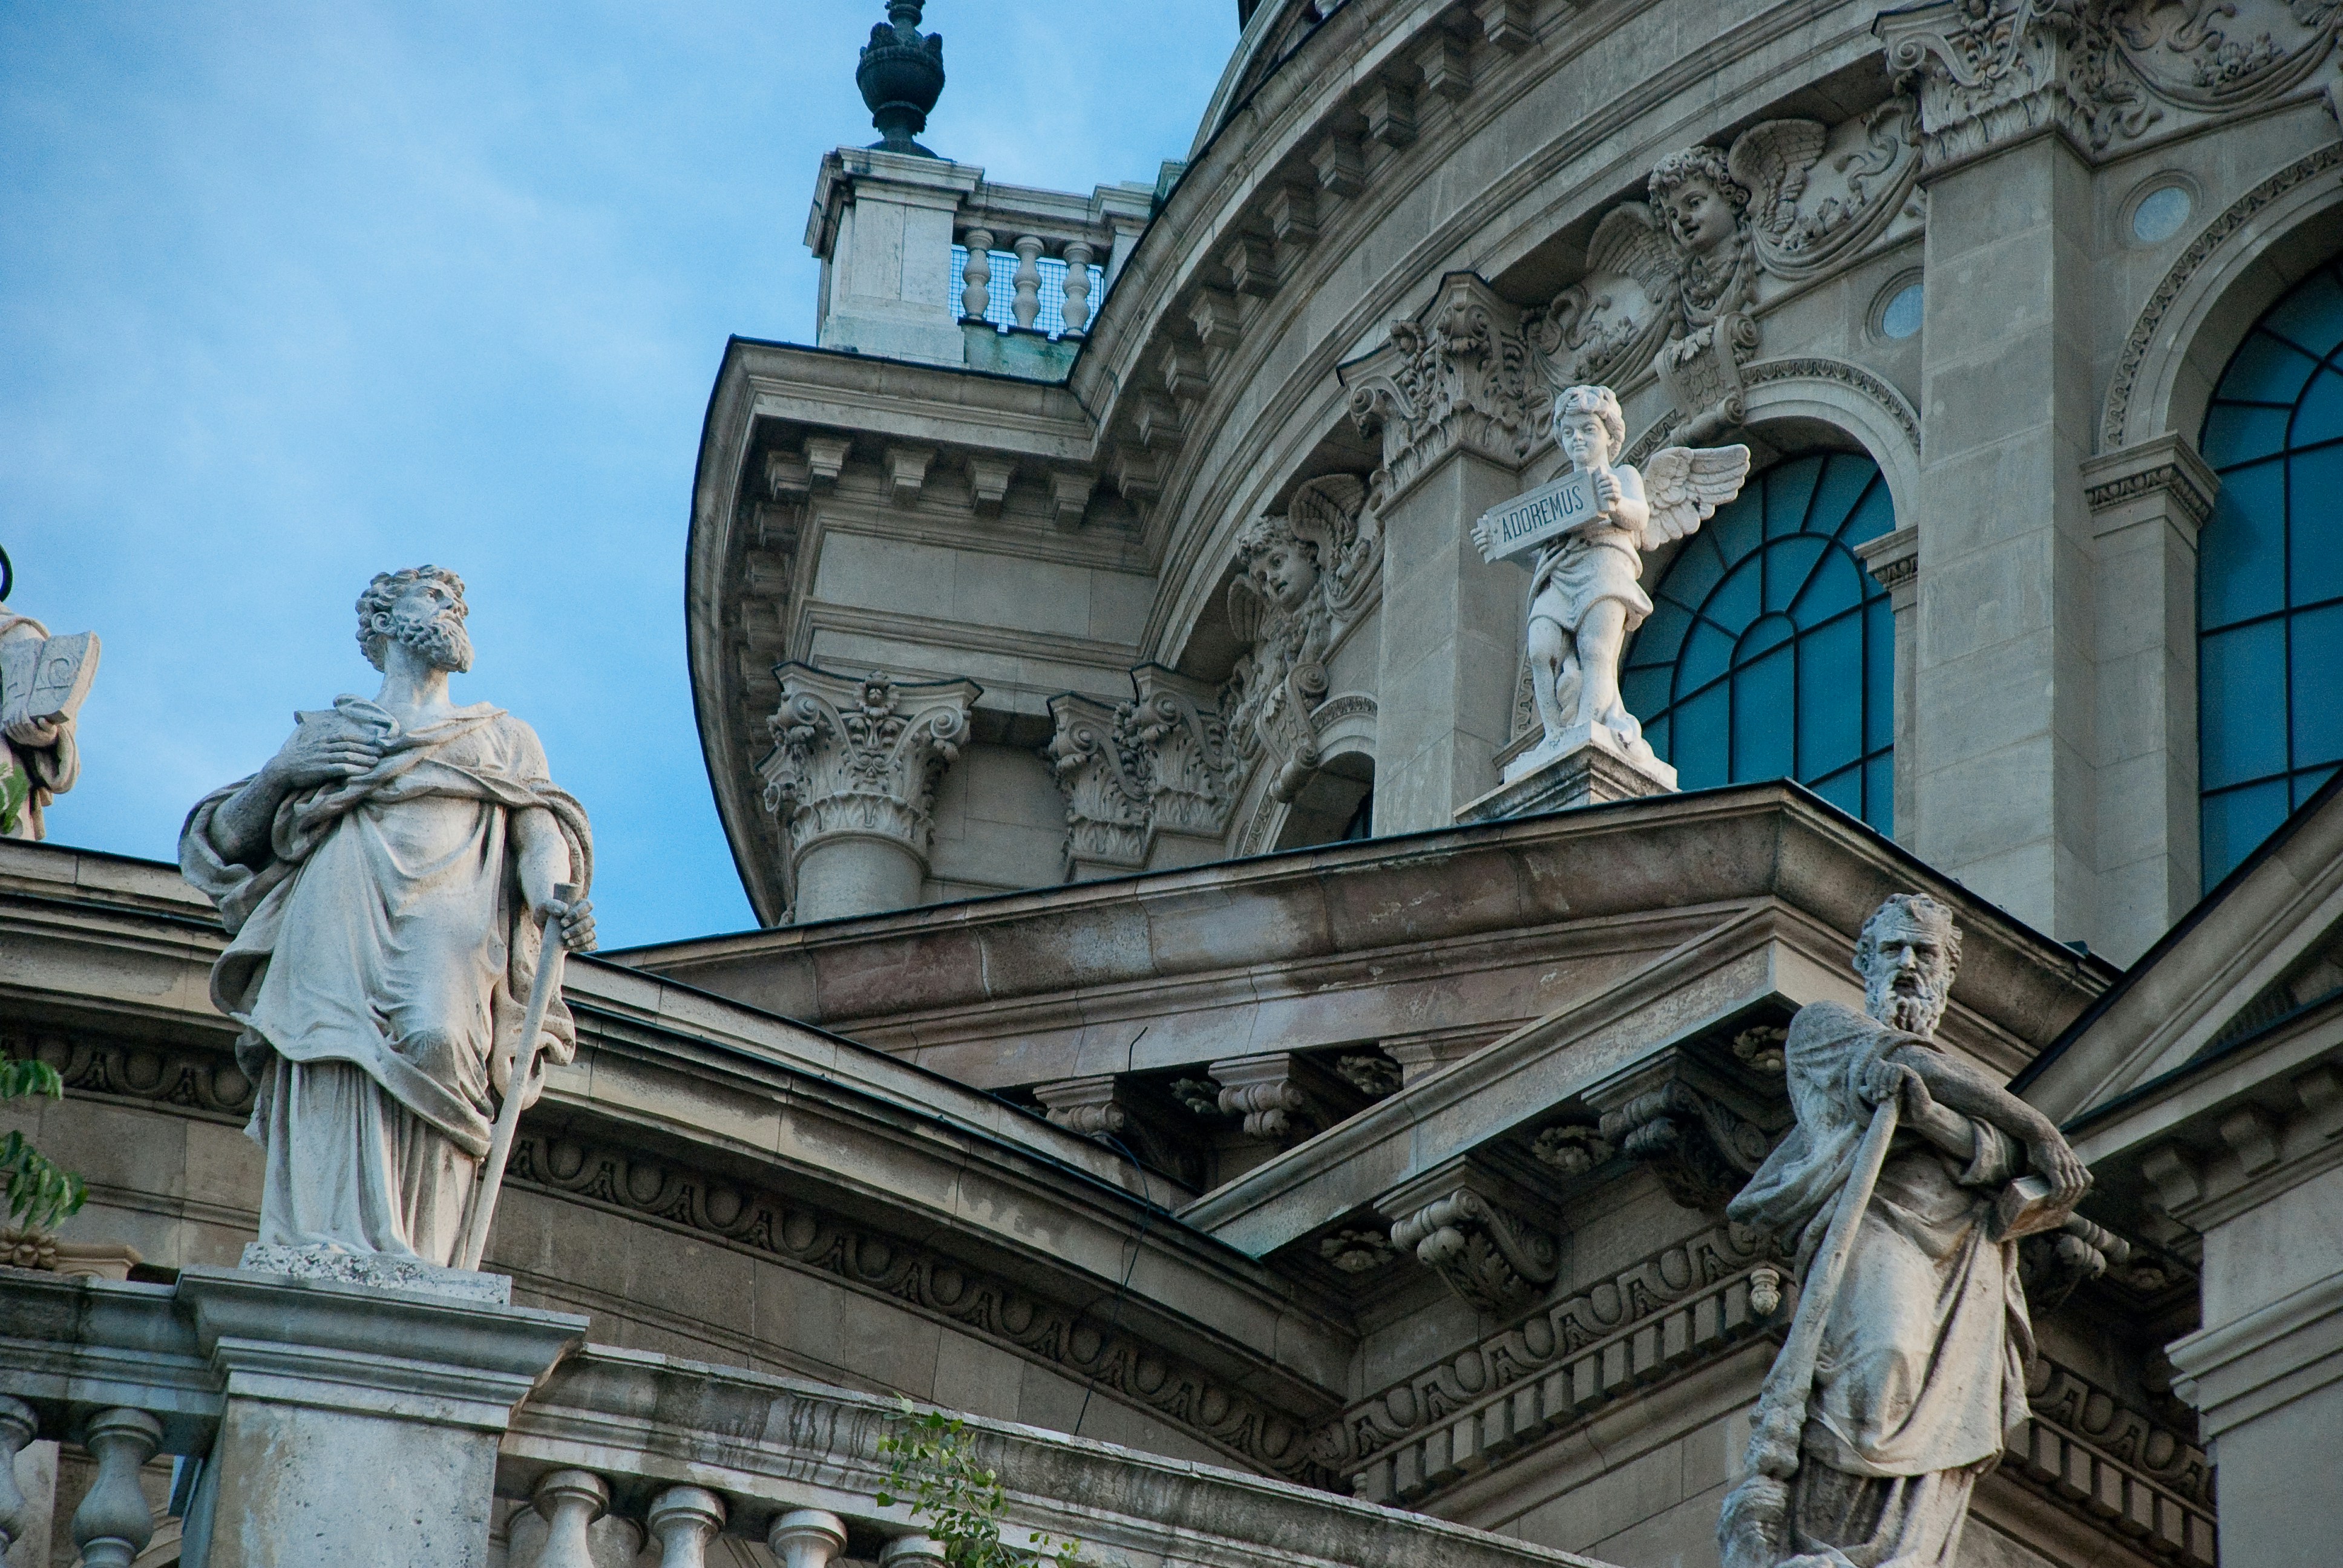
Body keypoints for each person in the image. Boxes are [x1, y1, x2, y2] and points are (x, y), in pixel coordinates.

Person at [180, 566, 594, 1266]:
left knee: (439, 1042)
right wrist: (283, 774)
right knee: (324, 1052)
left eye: (459, 601)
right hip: (337, 899)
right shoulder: (334, 730)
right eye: (435, 597)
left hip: (451, 913)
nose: (454, 609)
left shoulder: (502, 737)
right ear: (382, 619)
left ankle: (423, 1256)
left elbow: (541, 832)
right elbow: (220, 843)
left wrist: (554, 897)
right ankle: (313, 1240)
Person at [1723, 893, 2091, 1567]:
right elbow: (1912, 1069)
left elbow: (1988, 1154)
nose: (1907, 966)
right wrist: (2036, 1127)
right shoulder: (1824, 1028)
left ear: (1946, 974)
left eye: (1923, 954)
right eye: (1891, 950)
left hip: (1962, 1261)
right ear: (1863, 964)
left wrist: (1938, 1126)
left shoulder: (1960, 1088)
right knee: (1880, 1363)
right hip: (1877, 1228)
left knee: (1943, 1421)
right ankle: (1828, 1544)